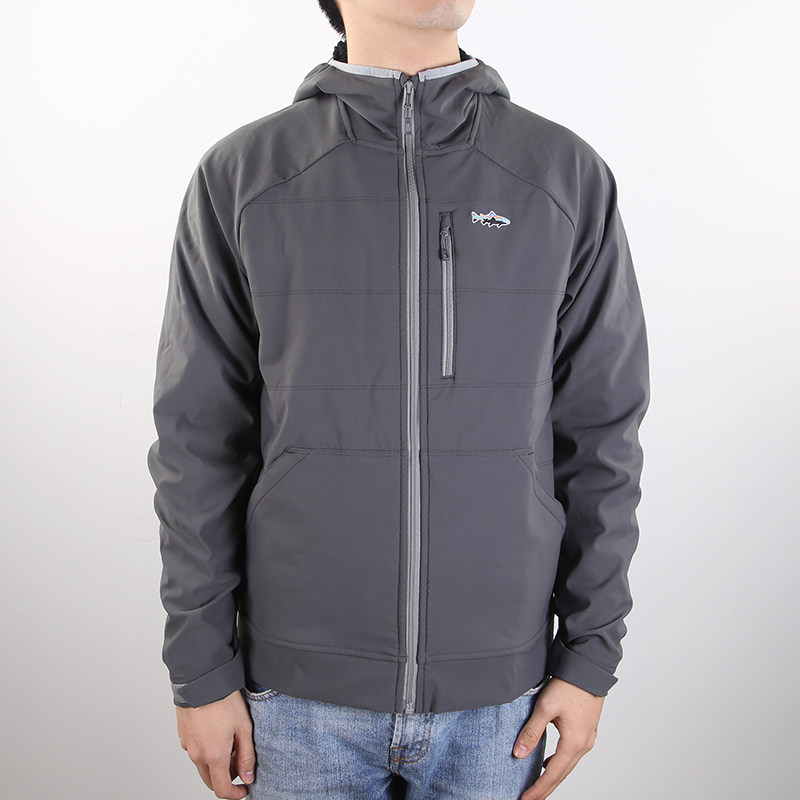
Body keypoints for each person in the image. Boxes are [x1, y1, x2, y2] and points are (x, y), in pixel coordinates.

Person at [146, 1, 650, 798]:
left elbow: (602, 437)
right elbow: (197, 443)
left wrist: (589, 658)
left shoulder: (562, 175)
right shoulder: (245, 176)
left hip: (500, 701)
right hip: (296, 699)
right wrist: (200, 669)